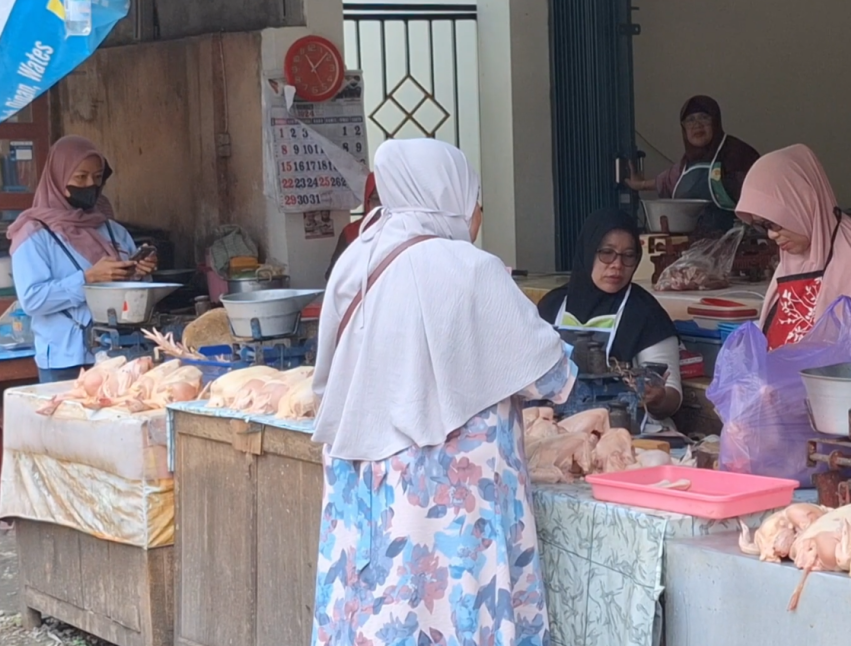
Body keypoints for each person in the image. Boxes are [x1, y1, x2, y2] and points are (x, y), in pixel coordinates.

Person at [310, 138, 573, 645]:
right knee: (455, 617)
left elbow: (325, 380)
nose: (477, 214)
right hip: (453, 505)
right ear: (449, 195)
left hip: (364, 491)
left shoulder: (356, 261)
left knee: (376, 617)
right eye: (477, 200)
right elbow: (553, 378)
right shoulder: (471, 270)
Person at [735, 144, 851, 366]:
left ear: (801, 203)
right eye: (761, 226)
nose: (771, 234)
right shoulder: (791, 260)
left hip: (846, 398)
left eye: (773, 222)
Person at [8, 136, 156, 383]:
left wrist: (140, 272)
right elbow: (32, 299)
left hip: (118, 354)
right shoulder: (34, 234)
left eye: (97, 178)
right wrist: (88, 279)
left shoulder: (112, 230)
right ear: (57, 177)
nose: (90, 184)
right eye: (80, 177)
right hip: (65, 358)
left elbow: (133, 296)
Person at [537, 208, 683, 419]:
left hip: (625, 435)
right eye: (607, 253)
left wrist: (659, 399)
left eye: (628, 256)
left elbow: (672, 396)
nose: (617, 265)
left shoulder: (645, 313)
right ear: (588, 251)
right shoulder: (551, 306)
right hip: (556, 429)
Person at [626, 95, 760, 235]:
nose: (697, 125)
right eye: (690, 120)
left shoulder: (738, 153)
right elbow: (667, 181)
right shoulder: (686, 164)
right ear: (684, 128)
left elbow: (758, 192)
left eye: (704, 117)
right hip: (692, 244)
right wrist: (640, 185)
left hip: (735, 243)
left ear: (715, 121)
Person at [324, 172, 382, 279]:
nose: (381, 205)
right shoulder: (351, 233)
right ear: (367, 200)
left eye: (386, 199)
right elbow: (332, 275)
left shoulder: (405, 231)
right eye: (376, 199)